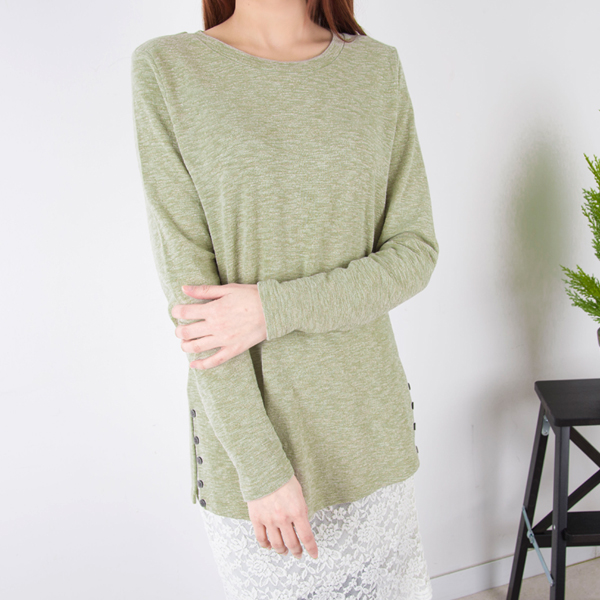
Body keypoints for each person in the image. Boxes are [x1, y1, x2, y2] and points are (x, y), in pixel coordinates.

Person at [131, 0, 439, 598]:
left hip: (370, 434)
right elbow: (196, 312)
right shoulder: (168, 69)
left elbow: (414, 252)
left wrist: (271, 309)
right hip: (258, 452)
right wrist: (262, 469)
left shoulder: (376, 68)